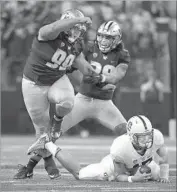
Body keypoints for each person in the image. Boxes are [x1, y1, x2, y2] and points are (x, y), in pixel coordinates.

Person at [25, 20, 130, 177]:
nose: (103, 40)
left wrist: (99, 79)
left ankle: (134, 165)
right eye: (101, 36)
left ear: (116, 39)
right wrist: (86, 77)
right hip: (83, 100)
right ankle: (29, 165)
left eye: (108, 37)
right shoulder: (88, 46)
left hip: (104, 104)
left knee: (128, 134)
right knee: (53, 133)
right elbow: (72, 67)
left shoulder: (122, 55)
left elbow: (116, 76)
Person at [14, 9, 95, 179]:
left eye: (79, 29)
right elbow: (54, 28)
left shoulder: (77, 44)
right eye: (74, 27)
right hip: (34, 84)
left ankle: (57, 121)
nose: (77, 32)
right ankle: (47, 161)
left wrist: (96, 73)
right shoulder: (48, 33)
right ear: (65, 24)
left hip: (57, 79)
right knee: (42, 129)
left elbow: (83, 66)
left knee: (67, 102)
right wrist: (77, 20)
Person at [28, 115, 169, 183]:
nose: (147, 140)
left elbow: (164, 157)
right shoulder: (120, 146)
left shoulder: (156, 137)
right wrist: (133, 179)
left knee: (156, 173)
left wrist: (164, 176)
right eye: (141, 137)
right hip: (114, 169)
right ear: (131, 136)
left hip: (138, 165)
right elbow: (119, 176)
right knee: (80, 174)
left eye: (147, 135)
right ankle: (48, 144)